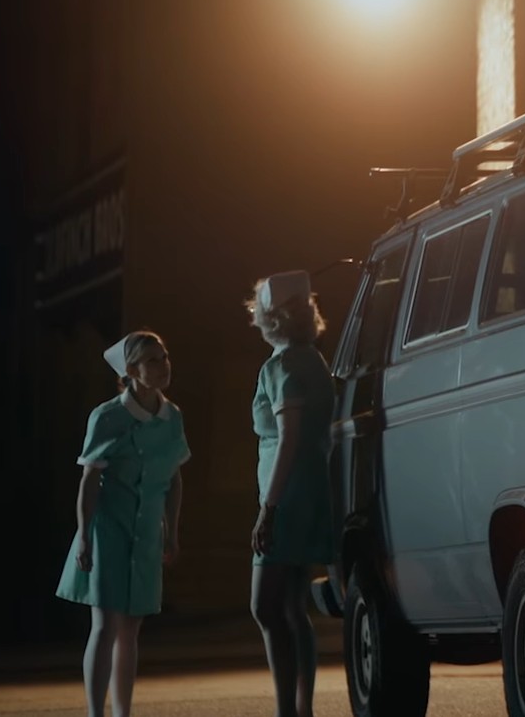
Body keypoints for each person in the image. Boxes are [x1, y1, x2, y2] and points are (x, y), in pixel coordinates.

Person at [55, 330, 190, 717]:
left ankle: (122, 713)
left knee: (131, 630)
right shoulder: (107, 416)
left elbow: (174, 479)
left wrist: (172, 532)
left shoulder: (172, 417)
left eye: (164, 357)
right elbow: (90, 480)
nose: (163, 366)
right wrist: (84, 536)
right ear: (131, 371)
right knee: (104, 625)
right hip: (109, 530)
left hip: (146, 533)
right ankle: (96, 712)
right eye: (152, 360)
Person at [244, 270, 339, 717]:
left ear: (271, 318)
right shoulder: (314, 360)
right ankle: (302, 708)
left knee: (264, 607)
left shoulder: (280, 366)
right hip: (311, 489)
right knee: (292, 608)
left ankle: (288, 710)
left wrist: (269, 508)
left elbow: (288, 437)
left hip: (286, 496)